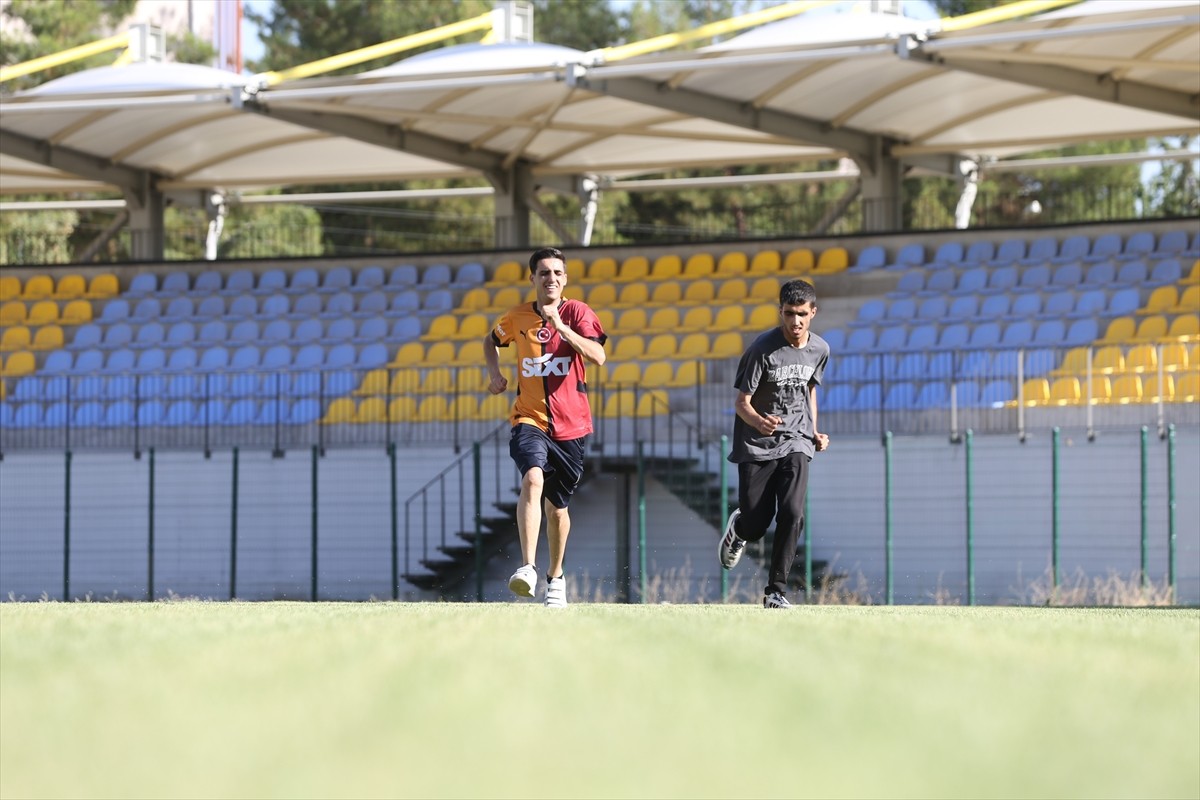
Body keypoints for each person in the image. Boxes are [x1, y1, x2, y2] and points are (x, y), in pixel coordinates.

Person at [484, 246, 608, 607]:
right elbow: (491, 340)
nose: (550, 278)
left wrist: (561, 327)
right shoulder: (518, 316)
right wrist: (495, 373)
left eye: (556, 273)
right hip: (529, 418)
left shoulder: (578, 313)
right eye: (543, 273)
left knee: (557, 509)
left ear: (565, 278)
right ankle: (527, 567)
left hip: (572, 427)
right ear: (532, 279)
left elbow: (598, 356)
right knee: (532, 478)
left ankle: (556, 577)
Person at [718, 278, 830, 609]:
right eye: (788, 314)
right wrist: (759, 421)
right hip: (756, 443)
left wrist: (814, 431)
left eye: (801, 314)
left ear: (813, 312)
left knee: (793, 512)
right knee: (756, 524)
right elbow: (742, 402)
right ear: (780, 311)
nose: (795, 322)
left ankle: (775, 592)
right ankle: (739, 528)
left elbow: (810, 389)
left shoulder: (820, 350)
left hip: (796, 440)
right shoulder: (761, 350)